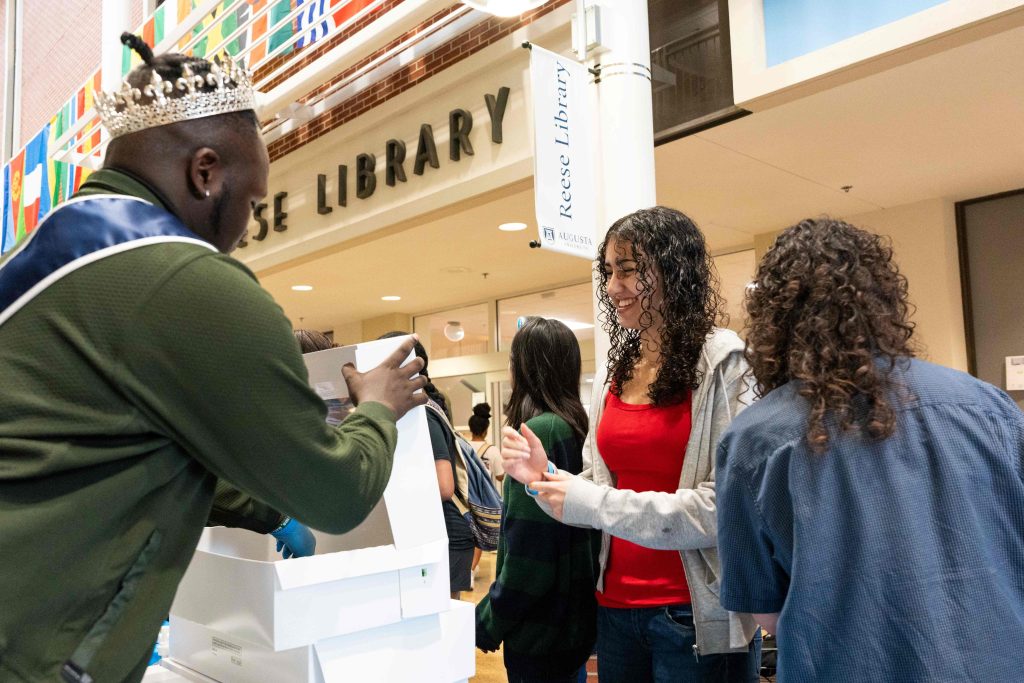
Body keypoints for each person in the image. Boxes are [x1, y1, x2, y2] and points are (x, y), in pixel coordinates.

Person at [0, 36, 426, 683]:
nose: (247, 228)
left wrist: (266, 510)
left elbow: (131, 449)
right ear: (206, 172)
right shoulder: (185, 282)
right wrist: (377, 406)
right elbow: (338, 493)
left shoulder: (39, 256)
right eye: (252, 202)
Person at [716, 218, 1024, 682]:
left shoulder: (755, 440)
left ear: (774, 317)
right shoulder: (989, 408)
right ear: (884, 302)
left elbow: (767, 613)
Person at [501, 207, 761, 682]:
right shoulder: (613, 375)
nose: (613, 286)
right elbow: (598, 488)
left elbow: (720, 509)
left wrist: (590, 500)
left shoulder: (724, 364)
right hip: (615, 610)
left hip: (694, 614)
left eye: (628, 269)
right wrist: (546, 477)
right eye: (608, 271)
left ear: (673, 270)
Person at [476, 317, 599, 683]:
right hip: (572, 622)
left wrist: (489, 621)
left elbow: (531, 551)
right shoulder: (574, 426)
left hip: (541, 630)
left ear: (525, 368)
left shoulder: (540, 432)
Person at [379, 332, 476, 598]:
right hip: (433, 533)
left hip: (448, 536)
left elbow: (444, 485)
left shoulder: (423, 413)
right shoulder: (412, 411)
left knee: (443, 626)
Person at [467, 401, 497, 580]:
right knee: (478, 532)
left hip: (464, 494)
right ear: (486, 429)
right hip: (483, 498)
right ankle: (470, 569)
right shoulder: (491, 450)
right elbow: (501, 475)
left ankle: (468, 570)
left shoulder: (463, 445)